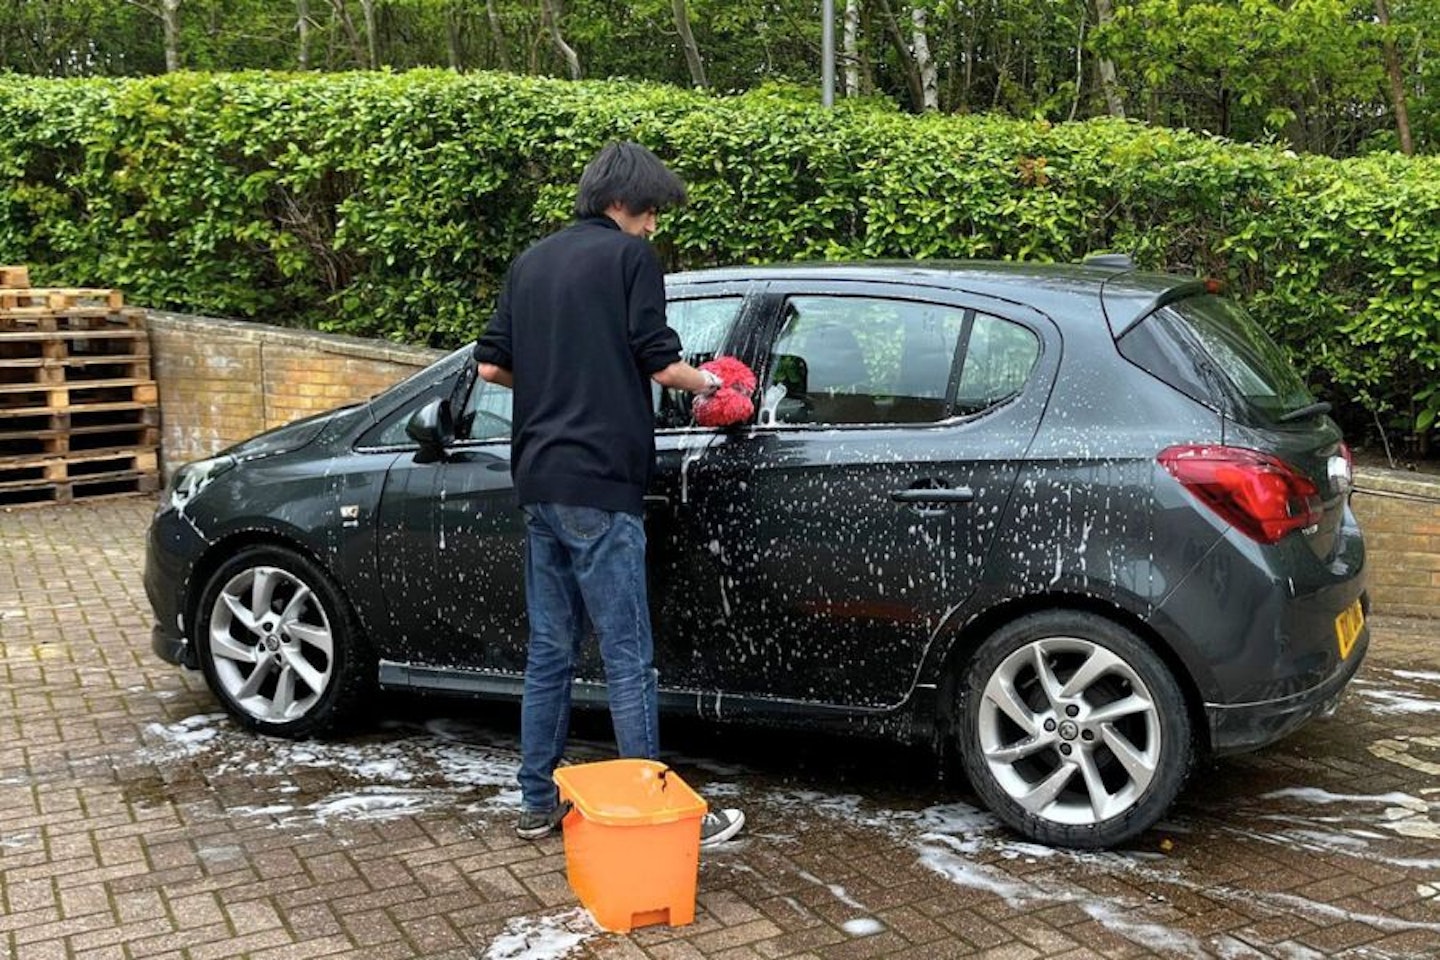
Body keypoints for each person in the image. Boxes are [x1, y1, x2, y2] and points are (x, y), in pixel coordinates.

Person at [472, 141, 746, 846]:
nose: (654, 227)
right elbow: (659, 363)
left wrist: (561, 383)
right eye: (652, 212)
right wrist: (717, 385)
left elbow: (491, 368)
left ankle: (537, 802)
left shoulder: (531, 261)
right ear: (623, 203)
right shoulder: (630, 260)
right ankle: (654, 812)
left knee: (550, 651)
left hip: (539, 477)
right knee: (627, 653)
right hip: (601, 480)